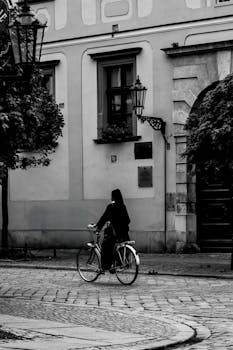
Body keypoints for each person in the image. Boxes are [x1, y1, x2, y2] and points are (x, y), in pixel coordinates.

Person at [95, 189, 131, 271]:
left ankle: (106, 266)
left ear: (113, 197)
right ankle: (119, 262)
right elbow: (128, 220)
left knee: (105, 246)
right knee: (116, 247)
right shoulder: (123, 206)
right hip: (124, 234)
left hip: (115, 234)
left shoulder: (111, 206)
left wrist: (98, 227)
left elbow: (104, 218)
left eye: (111, 196)